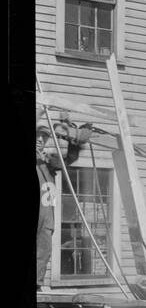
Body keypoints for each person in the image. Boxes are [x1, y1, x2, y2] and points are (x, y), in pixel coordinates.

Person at [36, 113, 91, 287]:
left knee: (43, 252)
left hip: (46, 217)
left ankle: (36, 286)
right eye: (36, 136)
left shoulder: (49, 162)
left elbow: (69, 159)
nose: (39, 140)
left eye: (43, 137)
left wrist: (76, 137)